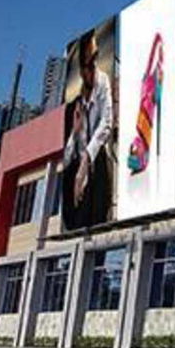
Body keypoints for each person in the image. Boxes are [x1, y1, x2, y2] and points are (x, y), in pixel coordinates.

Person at [62, 33, 114, 229]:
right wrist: (74, 133)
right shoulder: (72, 108)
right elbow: (66, 159)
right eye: (88, 63)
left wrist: (85, 161)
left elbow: (107, 122)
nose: (93, 68)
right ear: (81, 69)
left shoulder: (102, 82)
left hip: (95, 169)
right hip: (76, 184)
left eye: (96, 58)